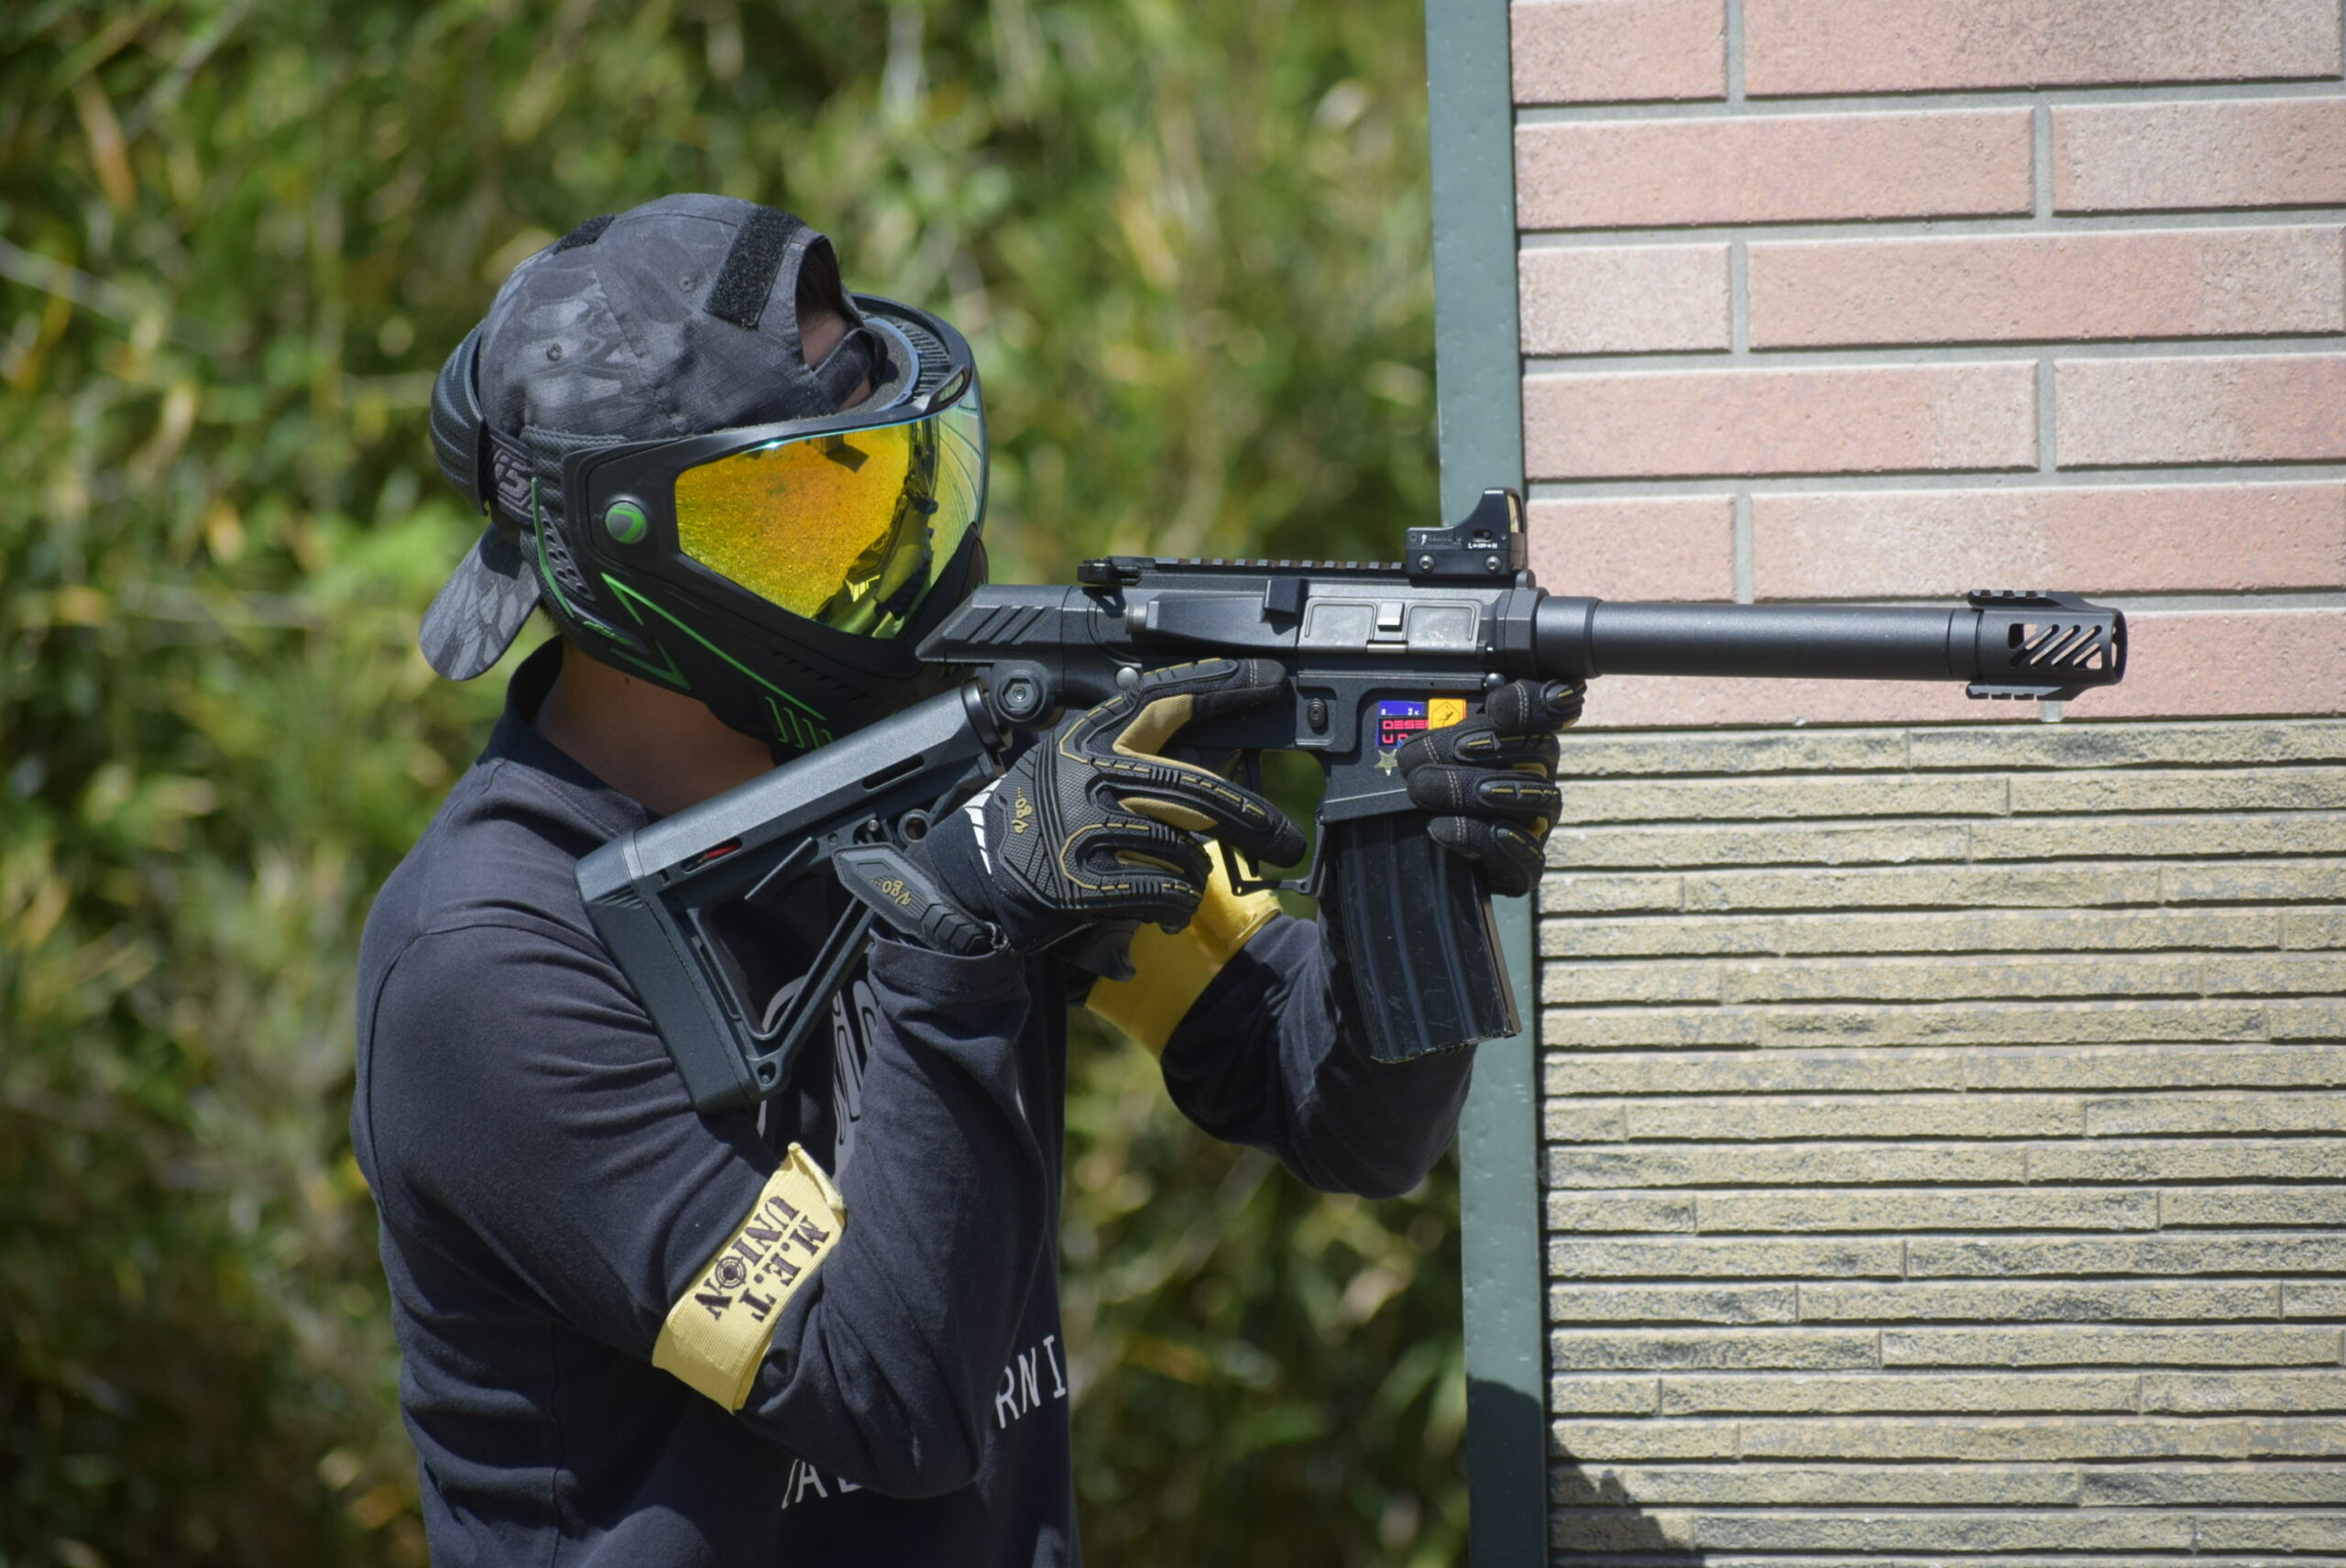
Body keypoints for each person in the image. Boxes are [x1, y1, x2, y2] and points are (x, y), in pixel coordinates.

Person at [353, 192, 1579, 1566]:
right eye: (807, 510)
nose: (888, 548)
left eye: (892, 476)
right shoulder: (485, 968)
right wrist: (961, 928)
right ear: (636, 558)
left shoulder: (942, 767)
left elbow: (1340, 1111)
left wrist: (1405, 836)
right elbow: (890, 1397)